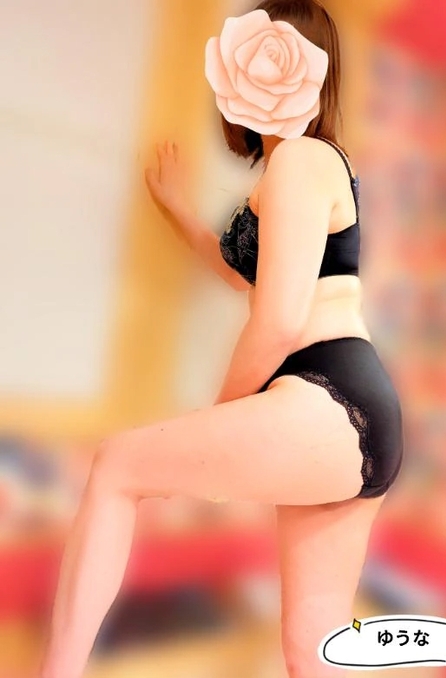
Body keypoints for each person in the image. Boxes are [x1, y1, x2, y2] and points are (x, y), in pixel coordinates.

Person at [38, 1, 404, 677]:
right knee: (311, 649)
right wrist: (177, 208)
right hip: (353, 411)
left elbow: (279, 321)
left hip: (328, 393)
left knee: (117, 467)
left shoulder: (301, 160)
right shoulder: (301, 169)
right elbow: (242, 273)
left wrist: (223, 415)